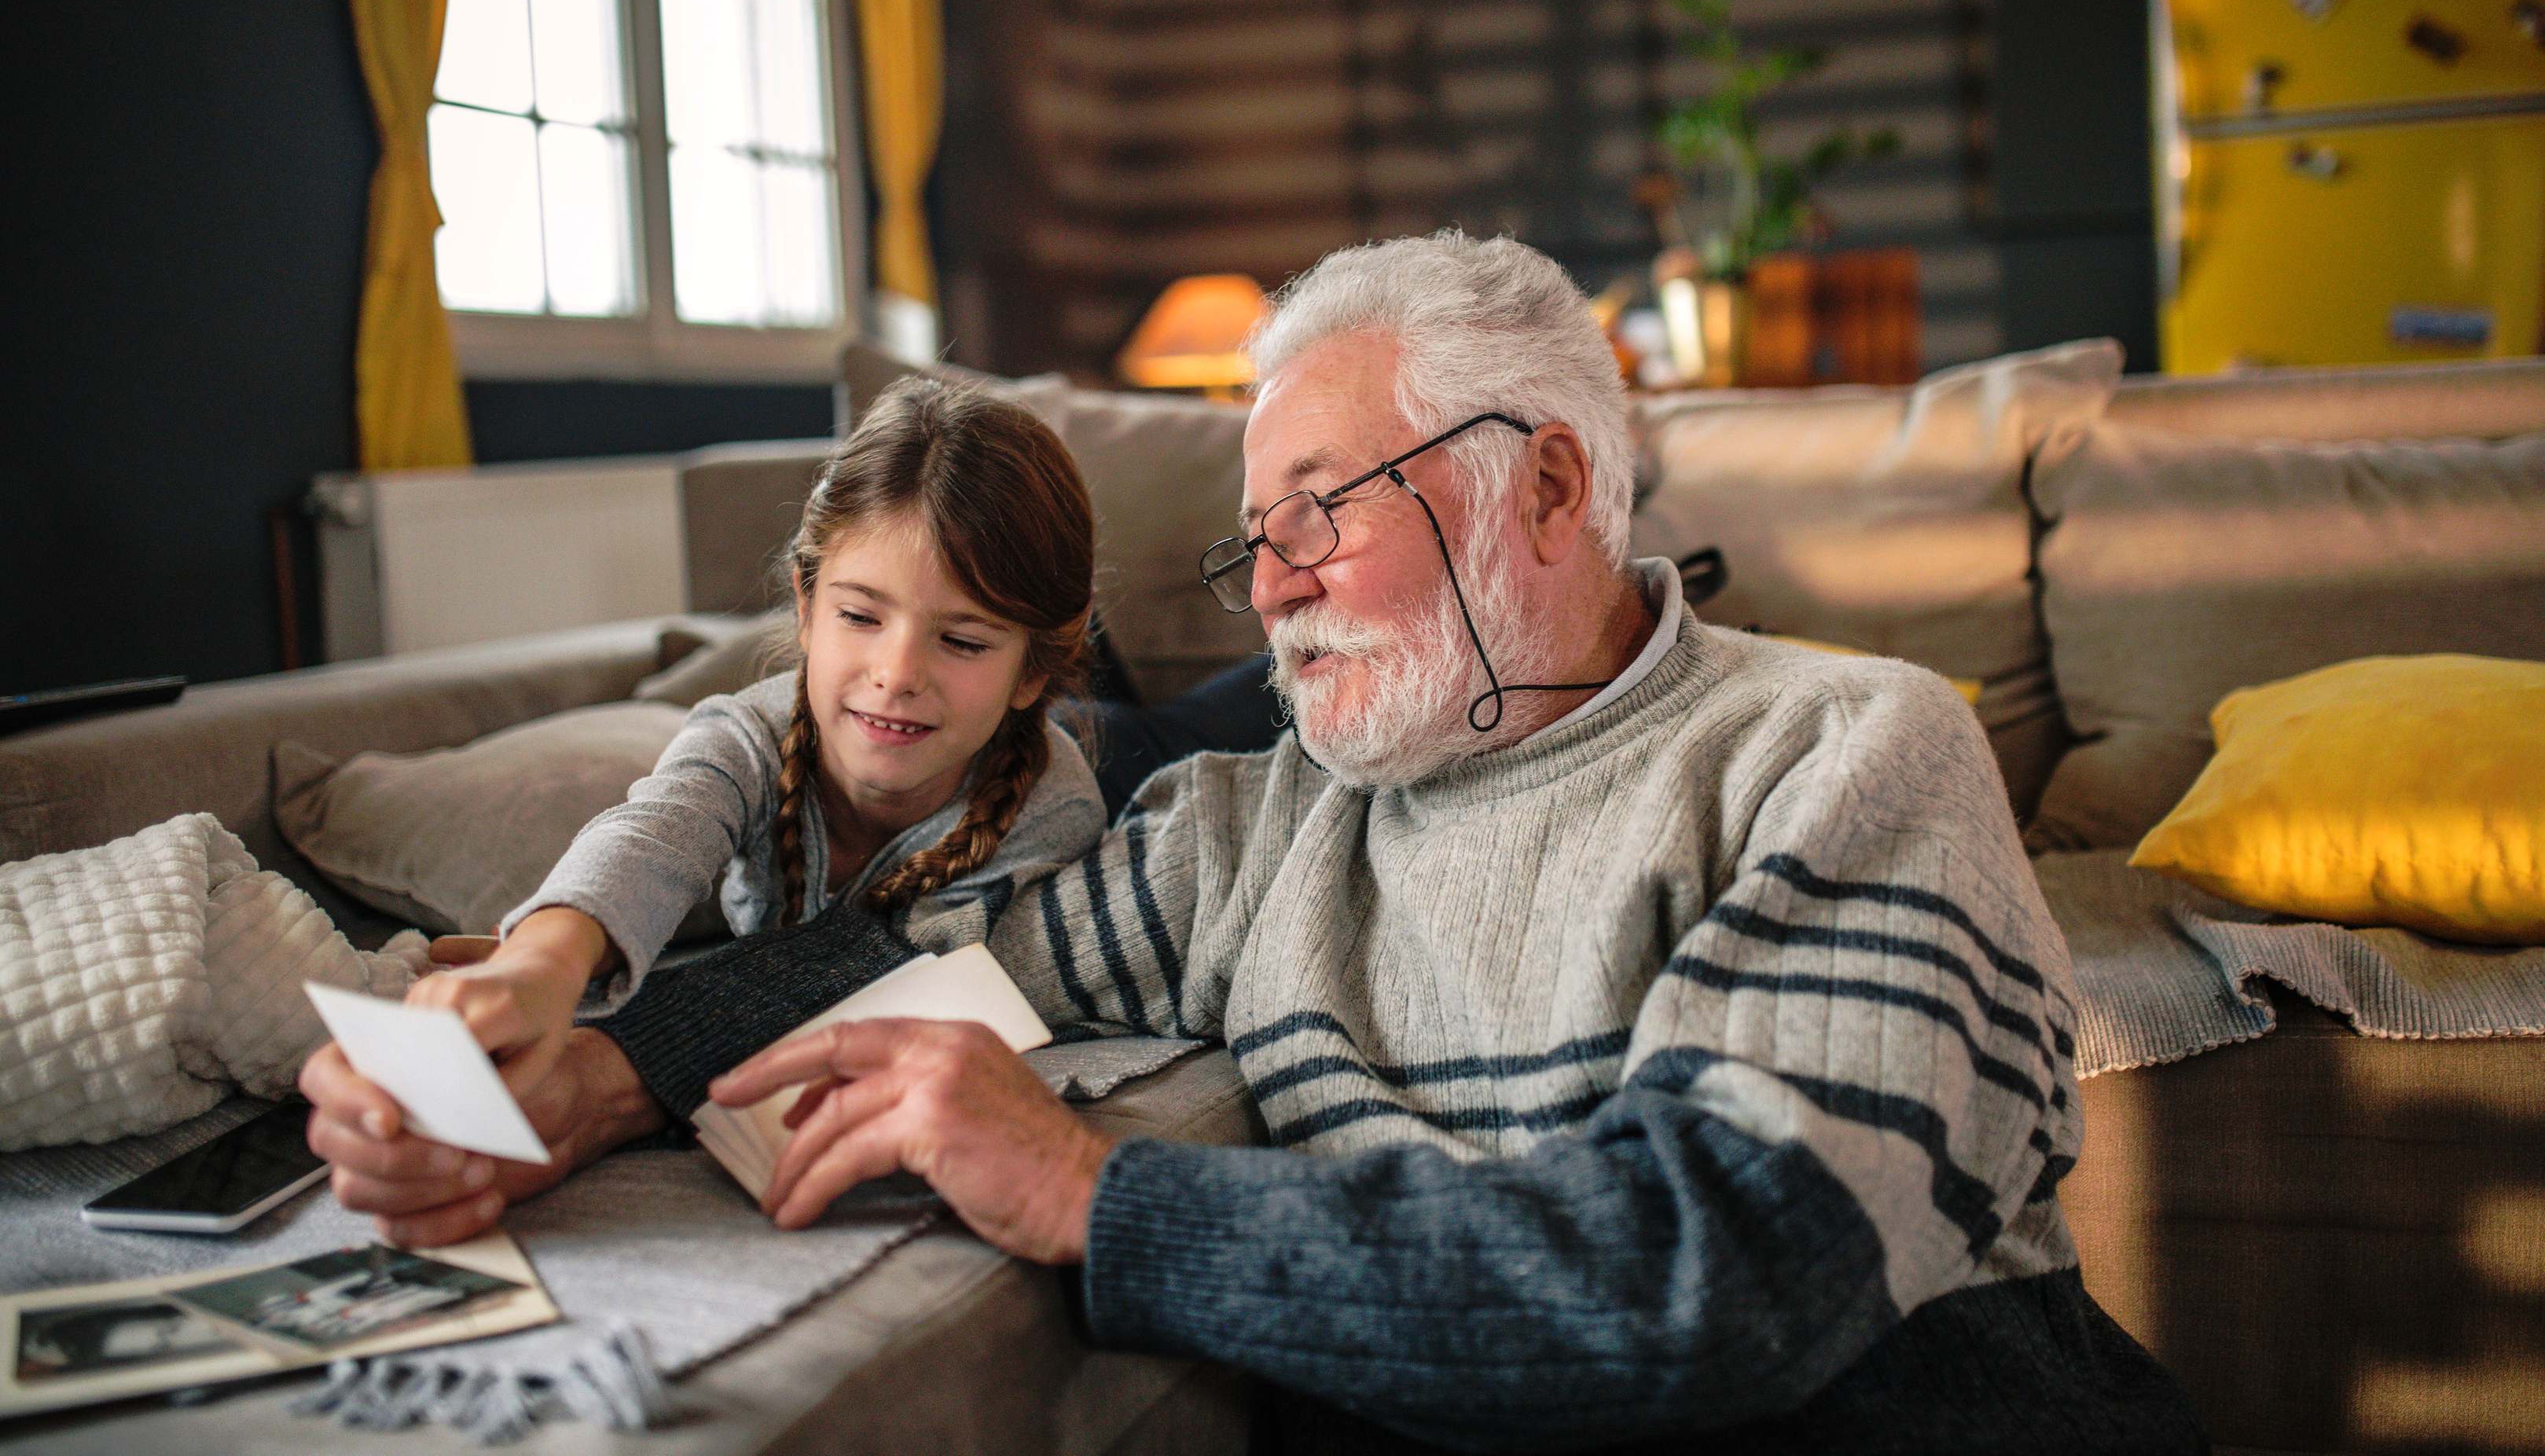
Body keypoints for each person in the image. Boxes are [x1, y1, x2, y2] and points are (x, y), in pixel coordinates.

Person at [307, 232, 2202, 1451]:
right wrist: (590, 1077)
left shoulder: (1844, 745)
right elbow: (928, 959)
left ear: (1544, 482)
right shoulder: (1254, 818)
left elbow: (1718, 1269)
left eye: (1320, 506)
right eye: (1249, 530)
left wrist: (1084, 1188)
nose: (1265, 582)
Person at [348, 376, 1110, 1104]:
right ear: (807, 606)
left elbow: (896, 976)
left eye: (964, 640)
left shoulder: (1055, 809)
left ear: (1031, 668)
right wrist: (544, 958)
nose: (896, 672)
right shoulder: (748, 731)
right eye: (860, 616)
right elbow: (655, 833)